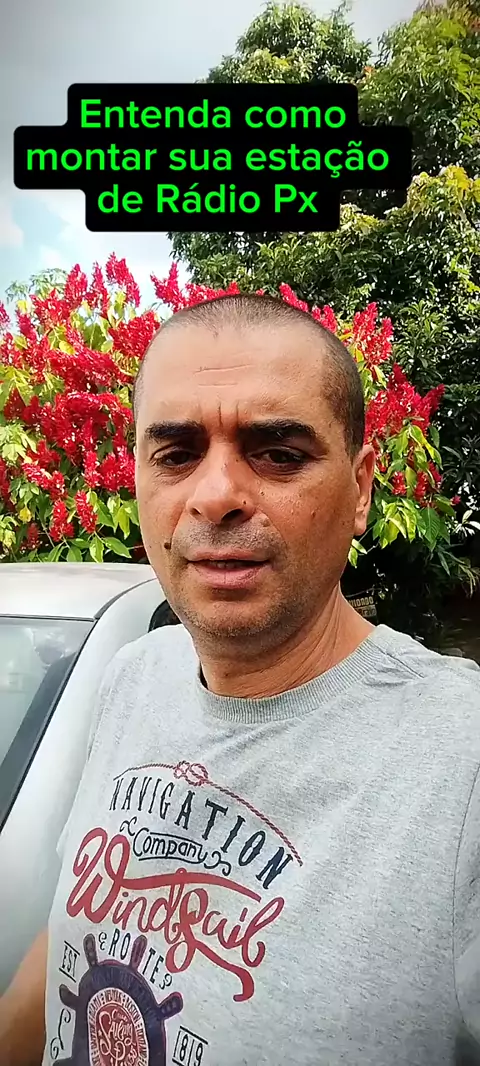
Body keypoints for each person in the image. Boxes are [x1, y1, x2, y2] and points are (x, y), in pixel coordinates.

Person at [1, 294, 480, 1066]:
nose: (216, 495)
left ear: (361, 490)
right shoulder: (133, 677)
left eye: (279, 453)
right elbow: (69, 939)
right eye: (176, 454)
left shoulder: (461, 758)